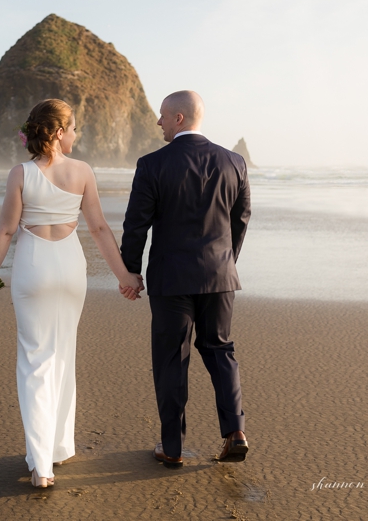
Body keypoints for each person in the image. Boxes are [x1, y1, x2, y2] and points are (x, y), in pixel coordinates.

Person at [0, 99, 143, 489]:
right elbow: (99, 229)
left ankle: (41, 466)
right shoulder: (82, 171)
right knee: (63, 353)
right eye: (74, 128)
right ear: (60, 132)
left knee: (35, 361)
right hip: (70, 269)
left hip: (34, 267)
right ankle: (59, 448)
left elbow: (5, 231)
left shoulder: (20, 174)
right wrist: (124, 277)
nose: (76, 135)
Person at [121, 90, 252, 470]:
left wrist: (130, 271)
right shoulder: (234, 162)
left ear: (179, 118)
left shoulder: (152, 164)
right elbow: (241, 218)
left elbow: (136, 224)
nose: (158, 122)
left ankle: (173, 446)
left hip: (172, 279)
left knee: (171, 360)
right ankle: (235, 432)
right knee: (220, 350)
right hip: (220, 276)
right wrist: (226, 262)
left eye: (163, 115)